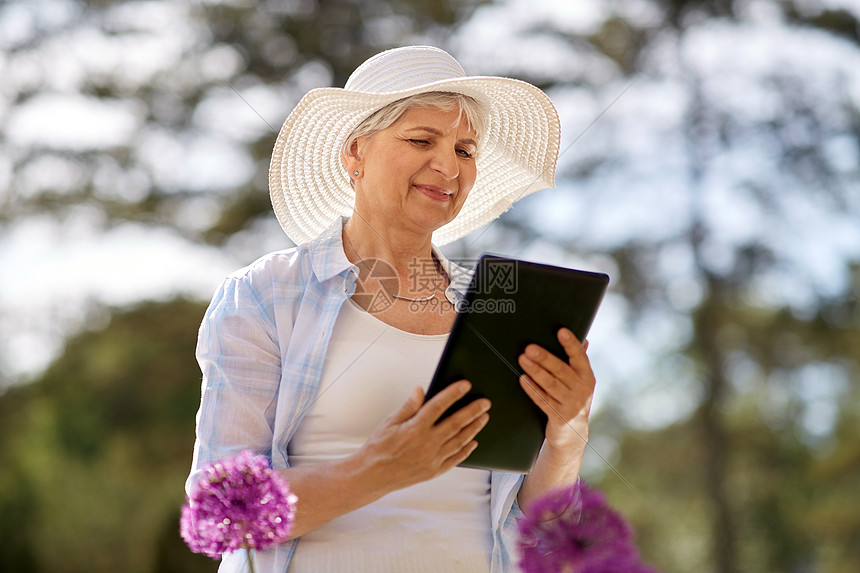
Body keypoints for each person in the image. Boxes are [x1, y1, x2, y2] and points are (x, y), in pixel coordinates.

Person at [187, 45, 597, 572]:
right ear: (355, 153)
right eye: (421, 139)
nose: (448, 165)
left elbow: (542, 529)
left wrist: (568, 431)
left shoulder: (498, 304)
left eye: (466, 150)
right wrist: (380, 469)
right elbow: (222, 511)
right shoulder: (266, 296)